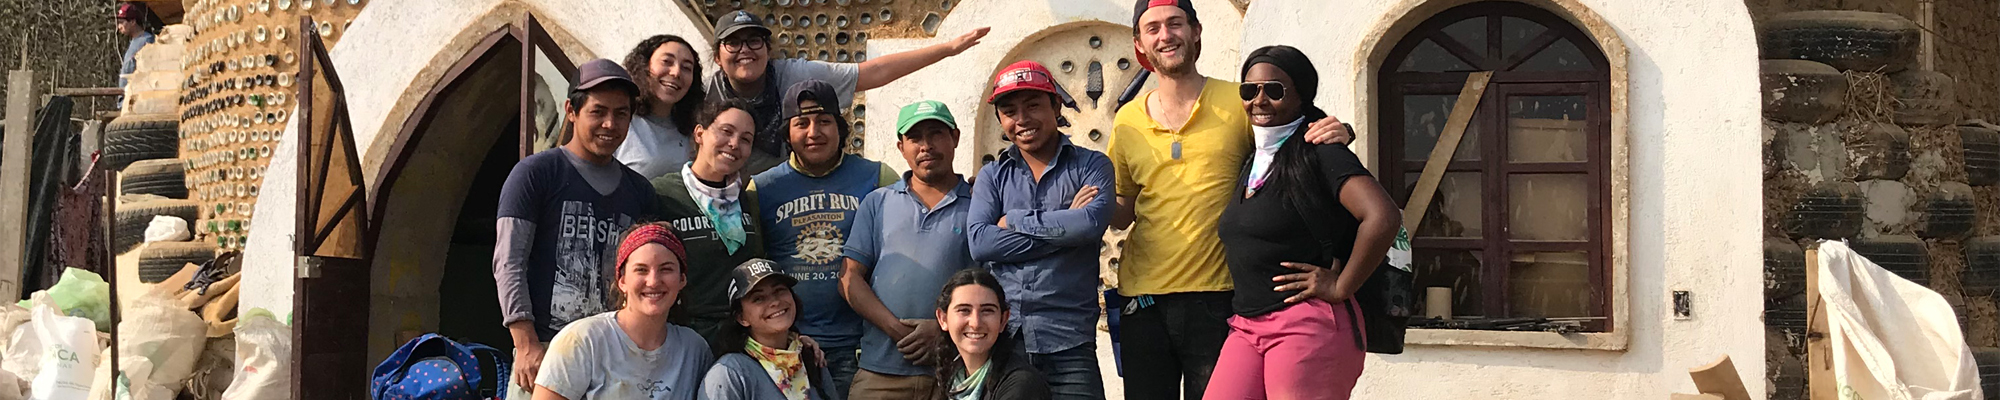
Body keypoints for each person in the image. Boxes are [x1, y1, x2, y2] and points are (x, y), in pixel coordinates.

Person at [1109, 1, 1352, 398]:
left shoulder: (1238, 100)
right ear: (1139, 42)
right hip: (1143, 299)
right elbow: (1122, 212)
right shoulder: (1127, 119)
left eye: (1175, 24)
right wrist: (1083, 201)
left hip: (1221, 295)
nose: (1165, 35)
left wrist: (1341, 131)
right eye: (1152, 29)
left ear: (1196, 30)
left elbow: (1296, 138)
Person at [1204, 45, 1400, 400]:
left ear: (1301, 97)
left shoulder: (1322, 151)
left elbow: (1382, 216)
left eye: (1274, 90)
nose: (1259, 100)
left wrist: (1341, 286)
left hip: (1307, 323)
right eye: (1249, 90)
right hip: (1246, 326)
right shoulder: (1256, 159)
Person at [497, 58, 661, 399]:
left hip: (614, 353)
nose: (609, 123)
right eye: (598, 111)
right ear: (571, 110)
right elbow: (509, 262)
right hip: (545, 347)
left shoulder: (640, 191)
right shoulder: (535, 174)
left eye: (621, 114)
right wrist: (524, 342)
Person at [965, 61, 1112, 400]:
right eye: (1009, 111)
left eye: (1033, 105)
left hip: (1070, 342)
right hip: (1006, 342)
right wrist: (1063, 230)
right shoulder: (992, 175)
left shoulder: (1092, 165)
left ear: (1056, 105)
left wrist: (1015, 219)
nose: (1022, 119)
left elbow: (1089, 225)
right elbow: (981, 243)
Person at [749, 79, 901, 399]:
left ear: (840, 128)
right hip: (789, 345)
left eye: (824, 121)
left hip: (863, 346)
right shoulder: (760, 189)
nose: (813, 132)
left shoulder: (879, 178)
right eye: (801, 123)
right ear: (787, 133)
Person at [704, 10, 991, 174]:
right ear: (717, 56)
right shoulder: (705, 93)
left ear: (768, 49)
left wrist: (947, 49)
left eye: (754, 41)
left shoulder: (793, 75)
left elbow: (871, 72)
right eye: (733, 43)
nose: (745, 51)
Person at [840, 100, 976, 400]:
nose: (926, 146)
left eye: (936, 134)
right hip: (880, 374)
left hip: (957, 375)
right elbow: (849, 279)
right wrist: (897, 330)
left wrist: (944, 334)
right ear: (901, 147)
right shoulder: (878, 203)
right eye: (915, 138)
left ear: (955, 138)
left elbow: (993, 288)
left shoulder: (980, 204)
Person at [532, 222, 714, 400]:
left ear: (682, 279)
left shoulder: (694, 350)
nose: (653, 281)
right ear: (622, 281)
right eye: (641, 270)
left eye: (666, 269)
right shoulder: (582, 341)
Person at [651, 99, 767, 343]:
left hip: (742, 337)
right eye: (726, 131)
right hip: (682, 338)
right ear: (700, 133)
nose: (734, 144)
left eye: (746, 139)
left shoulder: (749, 200)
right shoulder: (662, 194)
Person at [701, 259, 840, 400]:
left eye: (779, 290)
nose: (775, 302)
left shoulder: (811, 357)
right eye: (758, 298)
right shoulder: (729, 373)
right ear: (741, 317)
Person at [930, 269, 1050, 400]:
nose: (975, 323)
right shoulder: (953, 375)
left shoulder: (1022, 385)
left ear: (1003, 320)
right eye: (964, 310)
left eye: (987, 311)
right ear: (943, 319)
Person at [617, 34, 715, 179]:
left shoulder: (694, 131)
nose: (676, 73)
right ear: (644, 65)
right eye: (667, 62)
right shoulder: (621, 120)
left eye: (686, 68)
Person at [114, 2, 161, 89]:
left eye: (121, 22)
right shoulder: (134, 42)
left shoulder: (147, 40)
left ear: (132, 22)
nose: (119, 27)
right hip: (126, 97)